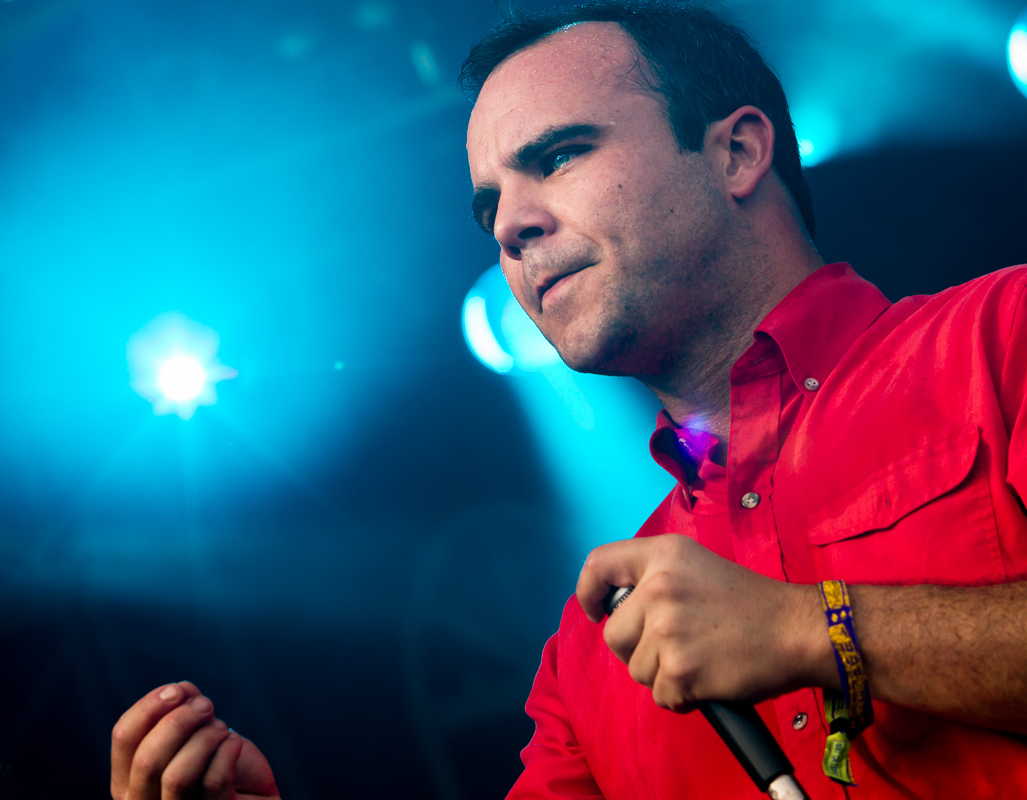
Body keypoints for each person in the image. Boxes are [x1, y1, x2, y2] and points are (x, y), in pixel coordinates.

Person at [109, 3, 1027, 798]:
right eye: (490, 206)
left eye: (557, 156)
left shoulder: (1003, 337)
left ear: (738, 152)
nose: (510, 225)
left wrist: (810, 629)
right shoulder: (592, 653)